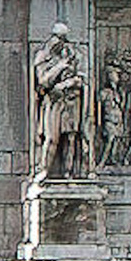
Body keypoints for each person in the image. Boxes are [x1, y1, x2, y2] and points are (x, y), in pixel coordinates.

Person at [32, 22, 88, 180]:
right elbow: (43, 81)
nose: (60, 43)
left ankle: (68, 172)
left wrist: (68, 82)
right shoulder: (43, 57)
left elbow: (82, 79)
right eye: (57, 38)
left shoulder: (73, 55)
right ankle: (44, 169)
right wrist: (60, 67)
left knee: (71, 138)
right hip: (53, 103)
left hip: (71, 102)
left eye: (63, 39)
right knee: (52, 138)